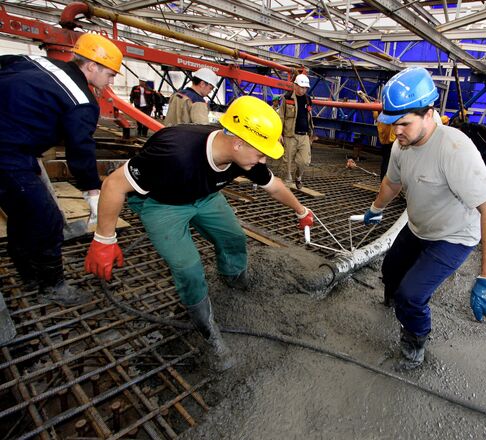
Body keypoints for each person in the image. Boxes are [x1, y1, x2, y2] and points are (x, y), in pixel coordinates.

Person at [84, 96, 315, 371]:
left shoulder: (243, 158)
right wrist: (104, 239)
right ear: (238, 142)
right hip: (163, 204)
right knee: (189, 270)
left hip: (205, 196)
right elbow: (113, 184)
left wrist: (301, 211)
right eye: (261, 153)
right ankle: (207, 330)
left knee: (234, 238)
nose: (263, 159)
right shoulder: (174, 151)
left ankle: (234, 278)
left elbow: (274, 185)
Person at [362, 67, 486, 370]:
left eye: (403, 123)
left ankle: (415, 341)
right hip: (419, 227)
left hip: (452, 237)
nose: (396, 131)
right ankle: (394, 302)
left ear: (429, 114)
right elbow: (392, 183)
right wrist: (376, 209)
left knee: (412, 295)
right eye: (392, 123)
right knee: (390, 272)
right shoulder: (403, 145)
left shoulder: (454, 149)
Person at [0, 33, 122, 306]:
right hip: (7, 154)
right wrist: (93, 190)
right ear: (91, 66)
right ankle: (51, 285)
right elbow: (80, 150)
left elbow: (4, 62)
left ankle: (26, 271)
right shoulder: (82, 100)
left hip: (14, 148)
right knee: (48, 220)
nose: (111, 81)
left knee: (22, 213)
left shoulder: (34, 62)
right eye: (110, 74)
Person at [278, 73, 314, 189]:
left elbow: (309, 117)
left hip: (304, 136)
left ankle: (298, 177)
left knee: (304, 161)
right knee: (287, 162)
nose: (303, 90)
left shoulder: (308, 100)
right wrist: (279, 133)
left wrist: (311, 134)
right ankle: (287, 185)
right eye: (301, 87)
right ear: (295, 86)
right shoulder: (287, 98)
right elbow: (281, 117)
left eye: (305, 88)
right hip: (290, 135)